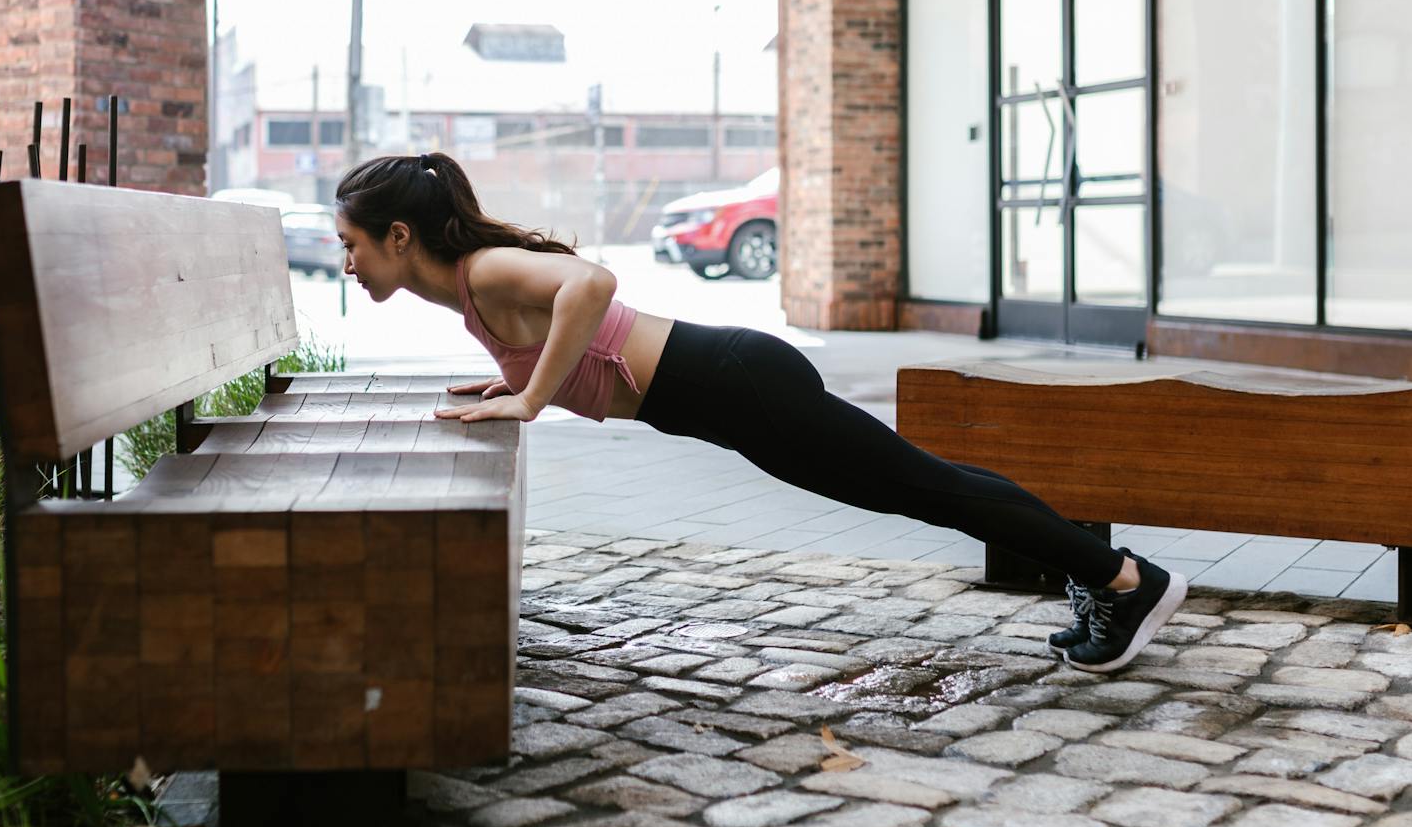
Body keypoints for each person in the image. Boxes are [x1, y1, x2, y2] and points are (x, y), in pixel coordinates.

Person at [333, 152, 1186, 673]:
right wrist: (521, 383)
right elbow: (563, 328)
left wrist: (529, 394)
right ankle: (1104, 575)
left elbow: (592, 284)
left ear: (400, 236)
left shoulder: (480, 273)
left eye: (352, 243)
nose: (346, 262)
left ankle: (1125, 580)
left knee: (927, 486)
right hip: (733, 393)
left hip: (740, 378)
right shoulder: (472, 292)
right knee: (915, 488)